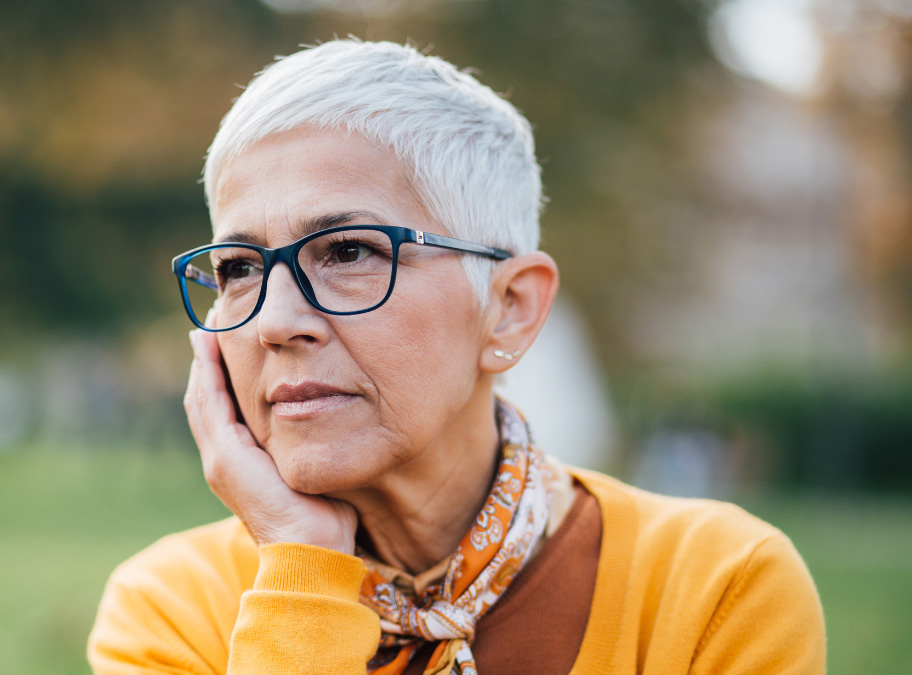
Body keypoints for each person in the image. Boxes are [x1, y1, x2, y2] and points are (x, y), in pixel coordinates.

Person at [88, 39, 825, 675]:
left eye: (349, 251)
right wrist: (300, 573)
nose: (274, 322)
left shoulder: (715, 588)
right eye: (240, 267)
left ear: (510, 308)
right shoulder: (171, 607)